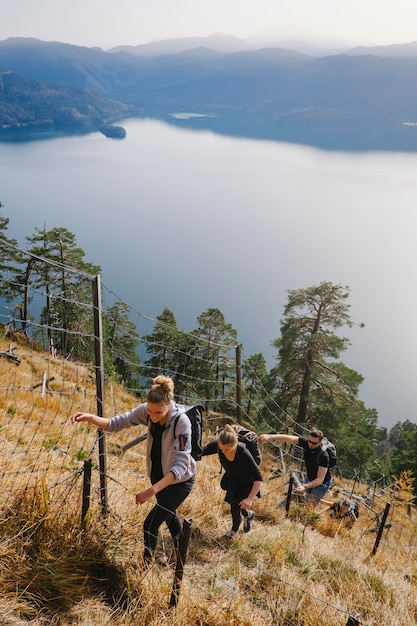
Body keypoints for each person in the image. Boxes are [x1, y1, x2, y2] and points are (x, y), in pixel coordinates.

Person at [71, 375, 195, 564]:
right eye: (150, 411)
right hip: (158, 475)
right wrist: (90, 418)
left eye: (158, 413)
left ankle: (144, 567)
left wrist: (151, 491)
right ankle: (180, 556)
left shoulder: (182, 422)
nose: (153, 416)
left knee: (150, 524)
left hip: (179, 482)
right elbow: (116, 423)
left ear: (169, 404)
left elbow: (181, 466)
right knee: (169, 515)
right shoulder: (147, 411)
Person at [202, 424, 263, 538]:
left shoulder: (243, 452)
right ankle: (248, 514)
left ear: (235, 445)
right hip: (233, 478)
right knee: (237, 504)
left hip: (247, 481)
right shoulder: (219, 445)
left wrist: (250, 499)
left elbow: (258, 477)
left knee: (235, 506)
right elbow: (202, 452)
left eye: (227, 449)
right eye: (221, 449)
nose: (224, 452)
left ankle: (234, 531)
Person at [259, 428, 332, 506]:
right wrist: (270, 437)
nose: (310, 445)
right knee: (301, 501)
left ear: (320, 442)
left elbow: (319, 480)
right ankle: (280, 508)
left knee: (309, 505)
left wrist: (304, 486)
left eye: (314, 443)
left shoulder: (324, 456)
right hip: (310, 477)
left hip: (322, 484)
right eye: (309, 441)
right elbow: (288, 438)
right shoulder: (306, 443)